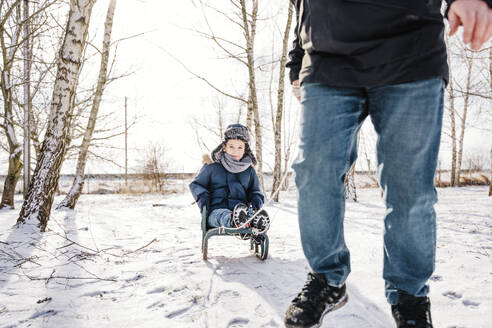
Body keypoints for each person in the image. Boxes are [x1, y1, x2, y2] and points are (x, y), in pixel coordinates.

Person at [284, 0, 492, 327]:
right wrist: (297, 59)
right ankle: (327, 277)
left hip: (410, 50)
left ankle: (409, 296)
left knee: (409, 189)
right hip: (327, 60)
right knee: (314, 173)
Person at [189, 123, 270, 243]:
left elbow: (255, 191)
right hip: (216, 211)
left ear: (245, 150)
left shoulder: (249, 171)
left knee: (250, 214)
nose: (235, 151)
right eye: (231, 146)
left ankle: (256, 225)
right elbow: (196, 185)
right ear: (224, 147)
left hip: (243, 210)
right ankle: (235, 222)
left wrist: (256, 204)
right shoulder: (212, 167)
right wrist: (204, 200)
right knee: (223, 215)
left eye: (240, 147)